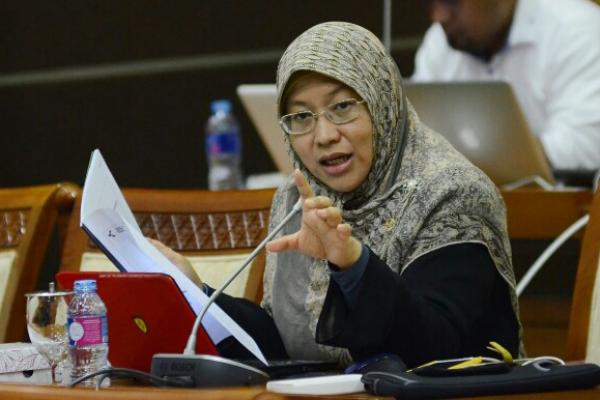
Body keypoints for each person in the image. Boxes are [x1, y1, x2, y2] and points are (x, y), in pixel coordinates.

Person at [156, 21, 521, 368]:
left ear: (381, 103)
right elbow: (284, 349)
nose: (324, 135)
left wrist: (353, 264)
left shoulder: (452, 193)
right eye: (301, 117)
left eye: (342, 107)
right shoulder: (298, 198)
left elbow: (433, 349)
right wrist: (194, 291)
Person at [413, 0, 600, 171]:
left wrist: (473, 166)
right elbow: (415, 135)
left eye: (451, 2)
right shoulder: (439, 40)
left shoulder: (576, 29)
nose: (439, 16)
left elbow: (586, 145)